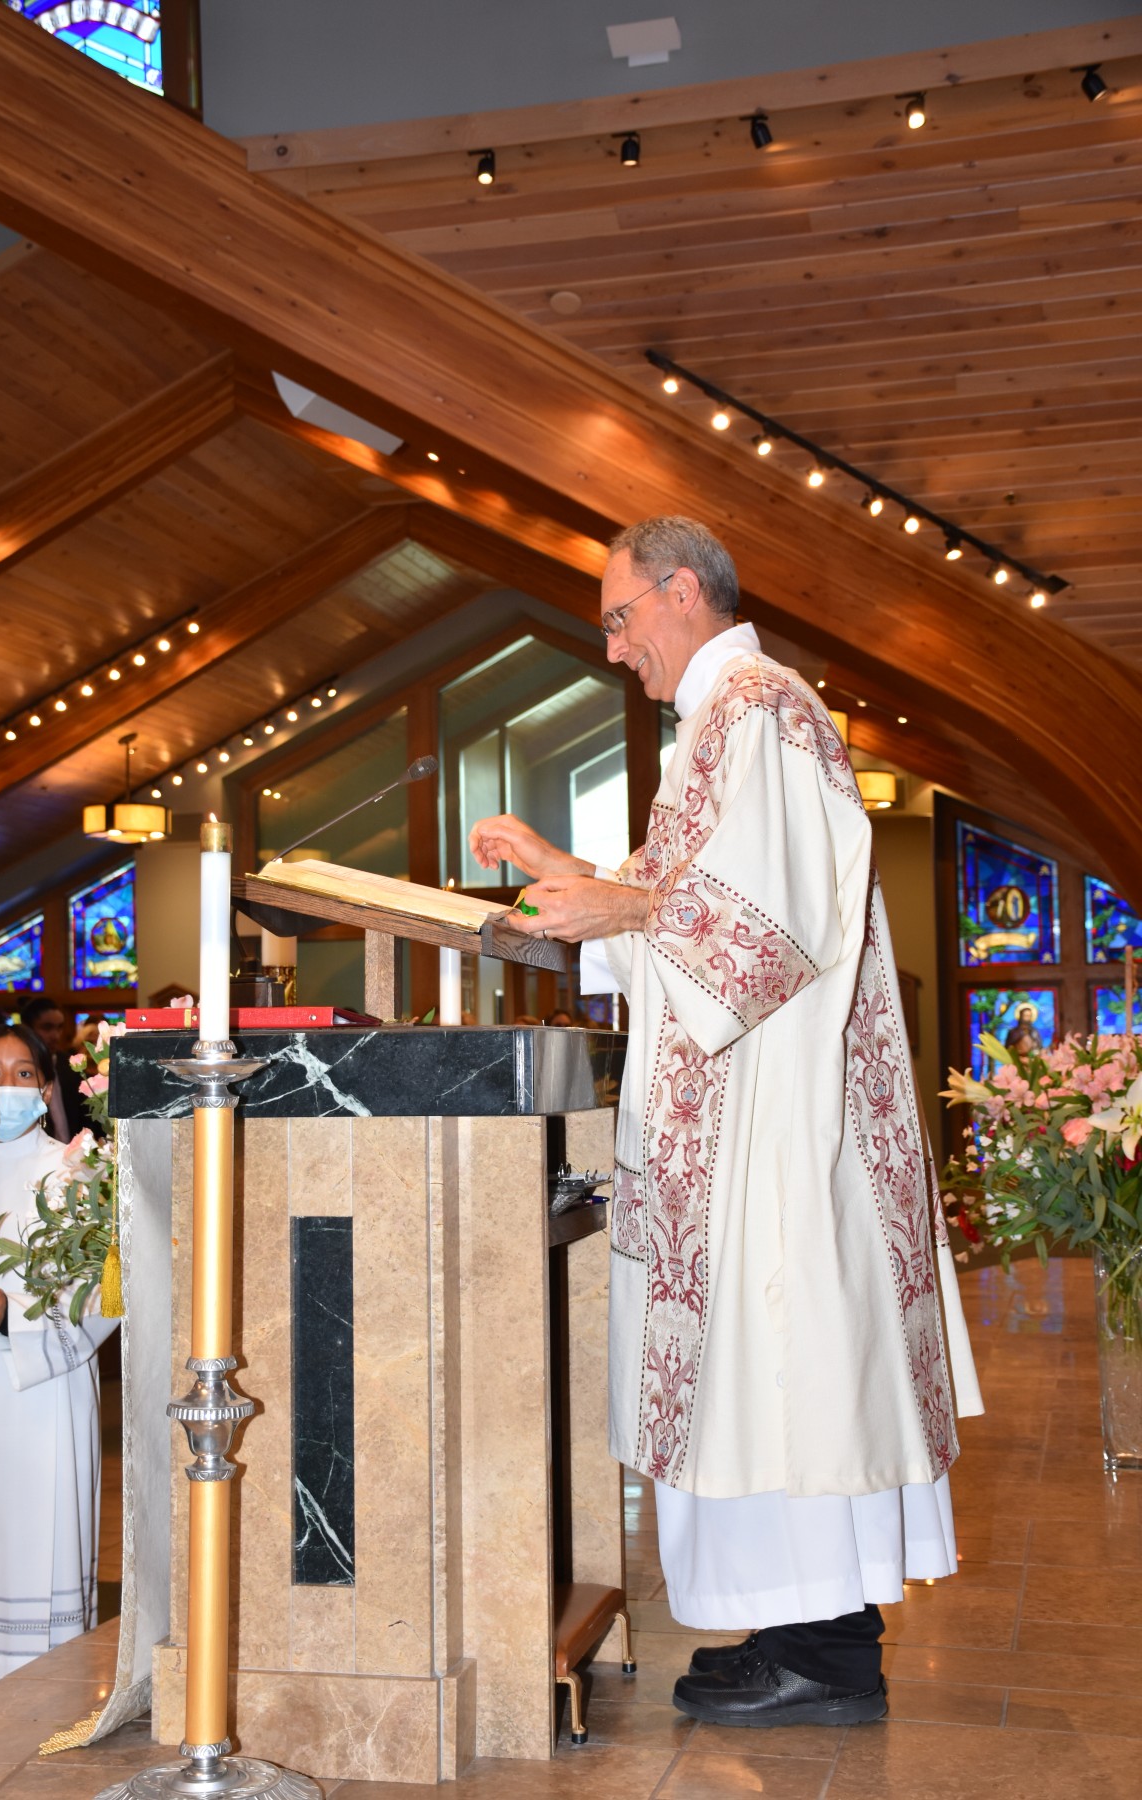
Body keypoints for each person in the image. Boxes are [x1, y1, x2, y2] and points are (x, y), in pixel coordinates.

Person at [469, 516, 983, 1729]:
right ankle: (800, 1636)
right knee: (766, 1369)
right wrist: (572, 872)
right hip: (745, 1109)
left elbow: (768, 930)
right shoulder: (721, 723)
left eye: (620, 618)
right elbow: (681, 905)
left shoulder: (758, 709)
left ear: (682, 590)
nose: (614, 648)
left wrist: (614, 905)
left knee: (787, 1363)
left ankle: (828, 1653)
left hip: (776, 1128)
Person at [0, 1023, 118, 1698]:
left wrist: (16, 1314)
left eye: (23, 1074)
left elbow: (108, 1289)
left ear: (47, 1090)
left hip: (40, 1389)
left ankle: (41, 1680)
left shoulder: (79, 1169)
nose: (6, 1087)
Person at [20, 995, 101, 1142]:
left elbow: (86, 1116)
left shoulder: (70, 1065)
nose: (55, 1035)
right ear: (28, 1028)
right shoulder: (19, 1070)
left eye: (59, 1027)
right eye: (47, 1027)